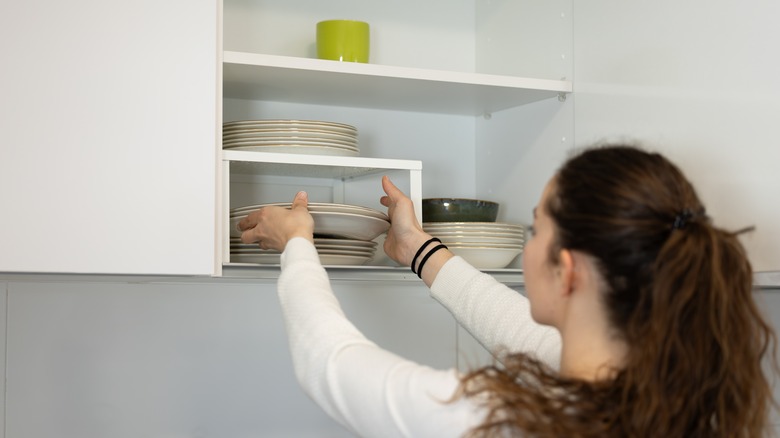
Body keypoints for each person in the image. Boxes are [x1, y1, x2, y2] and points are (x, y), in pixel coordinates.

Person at [238, 144, 777, 437]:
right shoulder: (686, 400)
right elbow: (523, 332)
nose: (530, 239)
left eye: (537, 229)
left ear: (566, 271)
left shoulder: (497, 421)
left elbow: (330, 365)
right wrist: (416, 250)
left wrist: (297, 243)